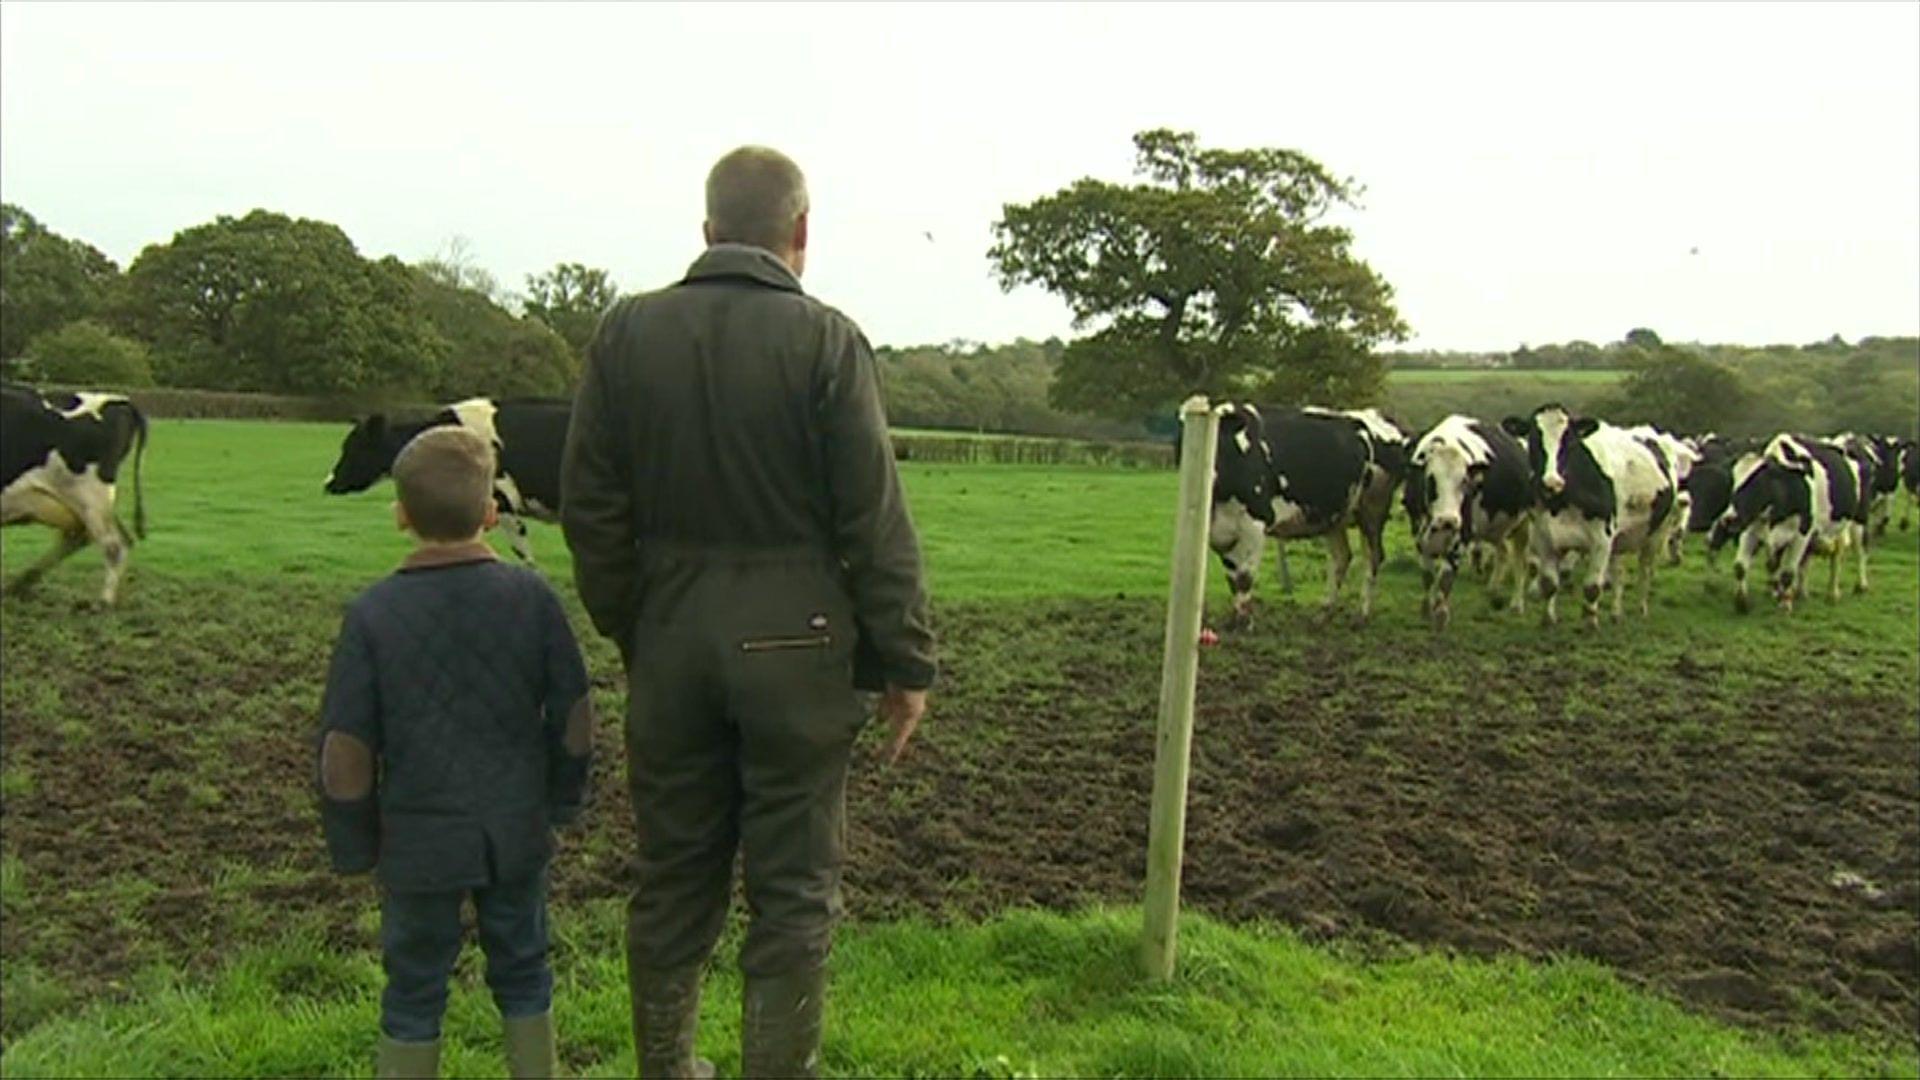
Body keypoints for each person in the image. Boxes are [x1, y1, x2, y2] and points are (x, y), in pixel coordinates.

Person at [561, 145, 936, 1078]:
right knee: (795, 889)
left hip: (672, 641)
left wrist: (637, 625)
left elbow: (592, 509)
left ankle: (669, 1068)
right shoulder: (829, 341)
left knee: (674, 876)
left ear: (706, 233)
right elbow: (873, 517)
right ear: (801, 232)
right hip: (800, 648)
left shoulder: (623, 334)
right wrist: (906, 662)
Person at [316, 426, 594, 1079]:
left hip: (417, 841)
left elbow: (345, 752)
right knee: (526, 971)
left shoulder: (372, 615)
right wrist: (562, 802)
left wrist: (354, 846)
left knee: (413, 989)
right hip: (515, 831)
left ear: (401, 517)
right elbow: (576, 716)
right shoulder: (534, 600)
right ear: (492, 513)